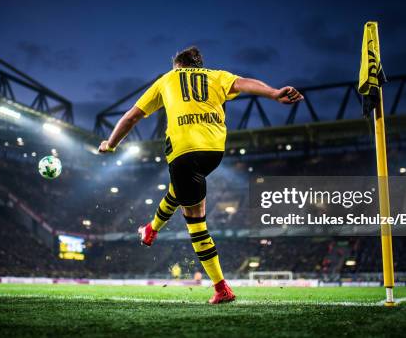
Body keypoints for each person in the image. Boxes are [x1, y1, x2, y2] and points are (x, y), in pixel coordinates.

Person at [98, 46, 302, 304]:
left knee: (196, 224)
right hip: (213, 152)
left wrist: (110, 144)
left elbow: (132, 117)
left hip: (183, 152)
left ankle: (221, 288)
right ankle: (150, 229)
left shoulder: (166, 79)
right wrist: (273, 93)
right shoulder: (215, 76)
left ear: (177, 67)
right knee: (180, 190)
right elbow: (244, 83)